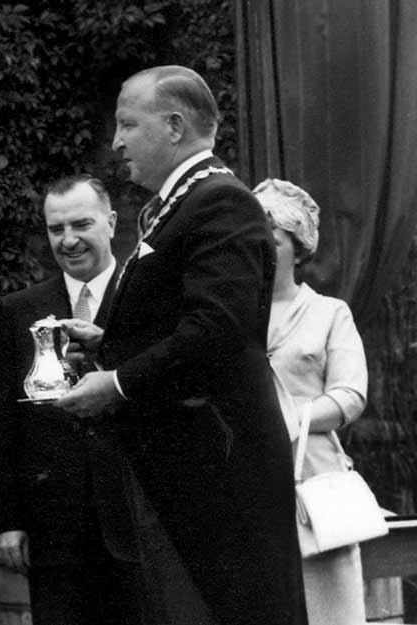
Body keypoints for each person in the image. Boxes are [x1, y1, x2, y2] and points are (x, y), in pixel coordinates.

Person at [56, 65, 307, 624]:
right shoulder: (183, 204)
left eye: (127, 125)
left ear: (173, 126)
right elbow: (188, 320)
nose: (117, 142)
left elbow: (216, 331)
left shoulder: (222, 203)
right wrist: (109, 341)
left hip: (217, 467)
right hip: (192, 463)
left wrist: (117, 383)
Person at [0, 174, 150, 624]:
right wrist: (7, 520)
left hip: (139, 521)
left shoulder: (147, 303)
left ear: (112, 223)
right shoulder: (19, 311)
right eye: (57, 229)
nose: (69, 240)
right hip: (55, 529)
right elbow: (1, 423)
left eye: (81, 225)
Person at [254, 178, 368, 625]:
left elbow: (350, 393)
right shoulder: (232, 315)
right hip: (251, 479)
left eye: (272, 237)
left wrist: (293, 417)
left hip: (315, 483)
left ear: (297, 246)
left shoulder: (329, 313)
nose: (259, 248)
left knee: (329, 611)